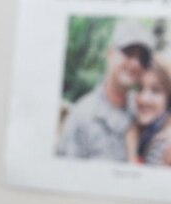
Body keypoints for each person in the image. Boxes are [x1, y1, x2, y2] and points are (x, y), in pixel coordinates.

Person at [58, 18, 154, 160]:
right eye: (128, 52)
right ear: (109, 54)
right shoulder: (83, 116)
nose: (135, 64)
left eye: (143, 59)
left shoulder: (142, 109)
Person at [128, 56, 171, 163]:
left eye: (155, 90)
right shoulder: (139, 132)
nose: (144, 99)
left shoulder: (164, 145)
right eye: (140, 88)